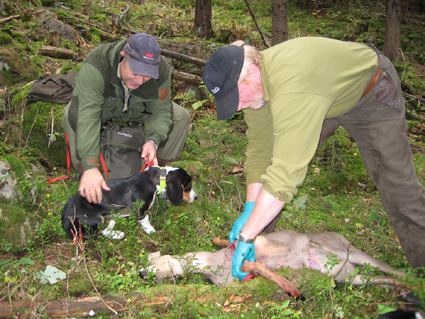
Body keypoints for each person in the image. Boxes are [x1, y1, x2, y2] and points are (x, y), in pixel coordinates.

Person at [202, 37, 425, 280]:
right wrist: (250, 208)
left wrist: (246, 235)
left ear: (253, 73)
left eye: (236, 97)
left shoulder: (293, 88)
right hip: (322, 96)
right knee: (270, 177)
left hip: (370, 91)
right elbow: (259, 153)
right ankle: (260, 256)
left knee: (398, 184)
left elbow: (285, 174)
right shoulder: (256, 93)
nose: (236, 107)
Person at [62, 33, 190, 204]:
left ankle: (162, 177)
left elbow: (161, 111)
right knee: (71, 113)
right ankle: (87, 174)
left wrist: (153, 140)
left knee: (181, 116)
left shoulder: (161, 70)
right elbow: (88, 115)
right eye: (136, 72)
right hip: (104, 112)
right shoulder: (98, 63)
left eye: (147, 76)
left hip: (136, 111)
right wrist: (91, 166)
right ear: (122, 57)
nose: (140, 81)